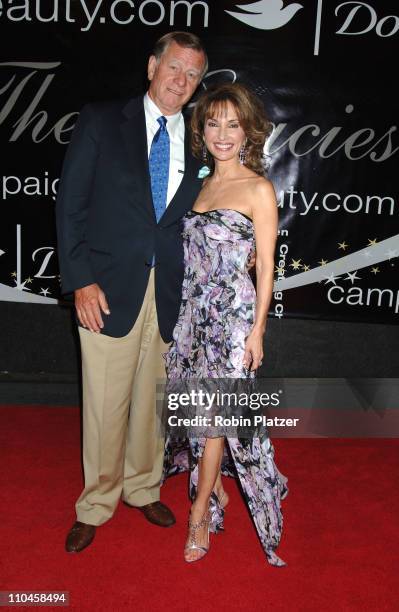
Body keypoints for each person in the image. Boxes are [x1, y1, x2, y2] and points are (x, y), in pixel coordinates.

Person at [56, 32, 208, 553]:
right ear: (151, 67)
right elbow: (70, 205)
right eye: (174, 68)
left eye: (193, 75)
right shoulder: (102, 121)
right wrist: (79, 279)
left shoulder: (197, 138)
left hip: (169, 291)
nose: (181, 81)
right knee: (104, 401)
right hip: (105, 288)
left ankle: (143, 487)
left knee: (153, 401)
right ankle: (96, 502)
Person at [162, 82, 287, 566]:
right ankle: (213, 487)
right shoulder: (196, 184)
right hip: (192, 315)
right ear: (202, 130)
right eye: (213, 123)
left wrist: (257, 332)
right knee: (197, 418)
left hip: (233, 319)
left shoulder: (258, 188)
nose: (222, 133)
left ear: (248, 131)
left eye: (232, 124)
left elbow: (266, 266)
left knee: (215, 420)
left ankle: (200, 513)